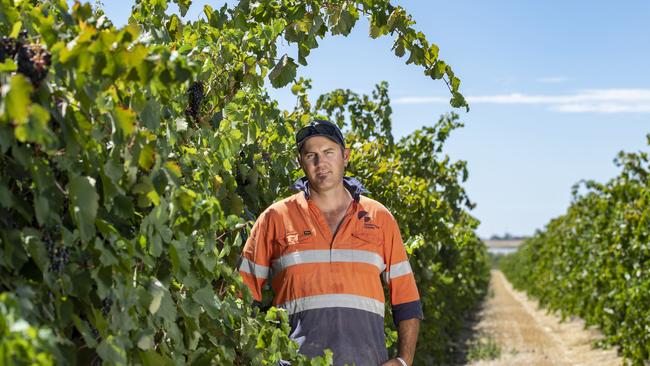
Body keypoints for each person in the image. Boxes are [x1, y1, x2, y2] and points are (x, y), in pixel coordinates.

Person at [238, 119, 423, 366]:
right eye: (311, 155)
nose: (320, 163)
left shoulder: (379, 218)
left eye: (328, 153)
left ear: (345, 156)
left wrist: (403, 360)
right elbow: (240, 296)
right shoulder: (275, 218)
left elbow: (407, 299)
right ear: (300, 162)